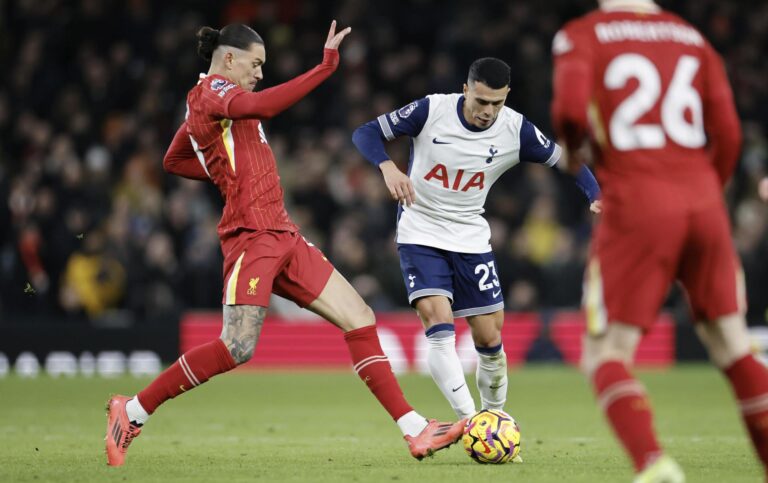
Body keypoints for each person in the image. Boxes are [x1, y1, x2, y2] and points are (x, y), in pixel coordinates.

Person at [105, 21, 465, 467]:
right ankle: (133, 410)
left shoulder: (215, 107)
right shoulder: (212, 92)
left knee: (359, 316)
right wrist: (323, 68)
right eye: (255, 64)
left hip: (283, 233)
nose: (259, 73)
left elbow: (174, 158)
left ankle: (415, 429)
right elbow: (262, 107)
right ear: (229, 58)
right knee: (237, 346)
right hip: (251, 236)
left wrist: (223, 168)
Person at [551, 1, 768, 481]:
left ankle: (653, 464)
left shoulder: (582, 34)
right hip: (704, 200)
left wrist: (572, 154)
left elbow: (568, 110)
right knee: (734, 346)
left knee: (606, 351)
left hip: (636, 200)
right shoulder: (692, 38)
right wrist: (706, 190)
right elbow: (729, 134)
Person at [352, 58, 600, 428]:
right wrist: (388, 167)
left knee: (488, 338)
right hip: (421, 228)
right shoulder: (431, 109)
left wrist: (594, 193)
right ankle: (472, 423)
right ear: (465, 89)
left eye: (496, 103)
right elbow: (366, 132)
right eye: (481, 101)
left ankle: (495, 414)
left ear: (507, 97)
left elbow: (567, 160)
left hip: (470, 235)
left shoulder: (515, 129)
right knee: (438, 324)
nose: (488, 112)